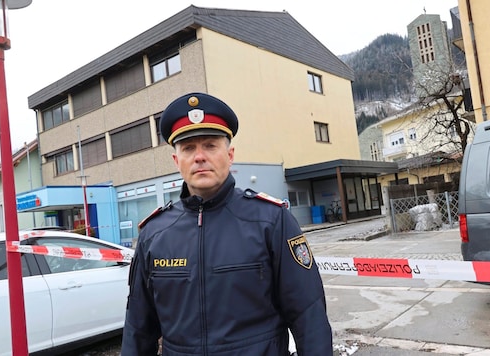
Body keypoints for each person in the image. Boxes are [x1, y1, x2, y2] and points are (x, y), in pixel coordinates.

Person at [121, 92, 332, 355]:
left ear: (230, 155)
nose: (199, 157)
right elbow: (137, 330)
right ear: (177, 161)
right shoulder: (154, 233)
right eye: (188, 148)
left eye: (210, 145)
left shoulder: (270, 221)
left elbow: (309, 316)